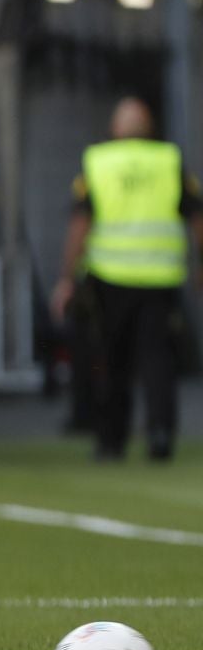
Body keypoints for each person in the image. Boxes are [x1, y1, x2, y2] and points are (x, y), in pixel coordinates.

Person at [51, 96, 203, 462]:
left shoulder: (98, 163)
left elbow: (79, 225)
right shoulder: (169, 161)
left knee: (109, 360)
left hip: (110, 277)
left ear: (115, 128)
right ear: (148, 126)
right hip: (159, 277)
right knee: (158, 360)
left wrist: (67, 277)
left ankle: (110, 439)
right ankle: (160, 434)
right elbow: (198, 218)